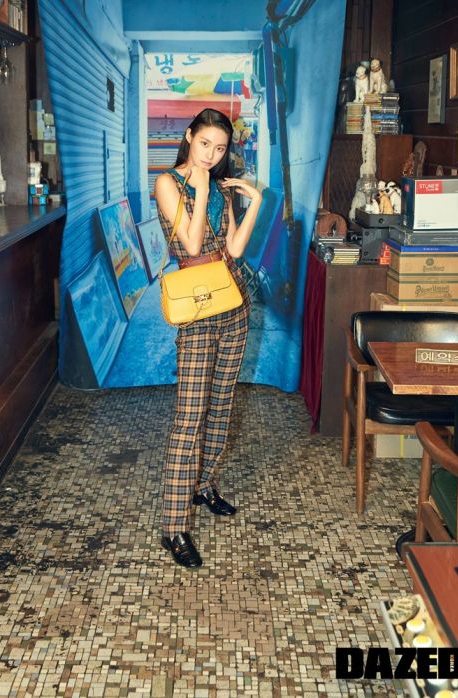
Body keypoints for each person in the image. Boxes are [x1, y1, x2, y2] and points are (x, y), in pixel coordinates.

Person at [154, 108, 263, 569]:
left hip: (233, 303)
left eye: (220, 149)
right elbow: (193, 246)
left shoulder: (221, 188)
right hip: (197, 309)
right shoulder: (168, 184)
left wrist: (255, 202)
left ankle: (203, 485)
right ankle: (174, 527)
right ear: (189, 136)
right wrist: (199, 188)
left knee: (221, 405)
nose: (212, 156)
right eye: (205, 145)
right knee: (189, 417)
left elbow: (234, 249)